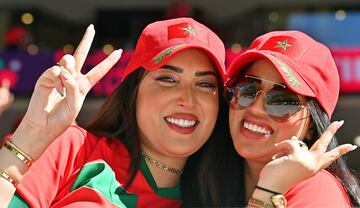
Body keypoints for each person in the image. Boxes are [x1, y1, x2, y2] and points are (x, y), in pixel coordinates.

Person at [0, 17, 227, 207]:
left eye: (205, 84)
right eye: (168, 79)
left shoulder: (223, 198)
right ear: (133, 91)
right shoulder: (74, 148)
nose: (187, 99)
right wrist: (29, 136)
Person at [192, 30, 360, 207]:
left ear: (311, 126)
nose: (256, 108)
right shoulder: (209, 179)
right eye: (247, 90)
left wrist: (269, 191)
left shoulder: (319, 191)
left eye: (282, 101)